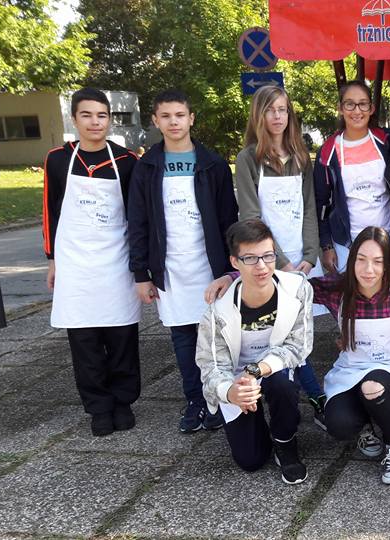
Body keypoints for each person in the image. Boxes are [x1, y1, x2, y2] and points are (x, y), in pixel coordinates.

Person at [127, 89, 238, 433]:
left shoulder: (213, 164)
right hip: (170, 268)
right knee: (183, 337)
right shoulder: (146, 167)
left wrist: (231, 268)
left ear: (191, 118)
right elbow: (138, 221)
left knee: (216, 337)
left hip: (209, 267)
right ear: (155, 121)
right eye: (166, 116)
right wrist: (141, 272)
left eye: (179, 115)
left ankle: (218, 398)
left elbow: (228, 219)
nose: (173, 122)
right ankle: (195, 401)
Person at [43, 88, 142, 437]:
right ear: (74, 119)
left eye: (101, 115)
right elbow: (49, 211)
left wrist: (139, 265)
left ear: (109, 119)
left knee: (121, 336)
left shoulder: (126, 161)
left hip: (115, 261)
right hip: (74, 263)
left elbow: (136, 216)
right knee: (84, 340)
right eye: (86, 115)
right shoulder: (57, 159)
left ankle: (123, 401)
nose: (95, 122)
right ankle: (98, 407)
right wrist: (52, 258)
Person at [232, 85, 327, 429]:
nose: (277, 116)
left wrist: (310, 255)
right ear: (259, 115)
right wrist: (281, 261)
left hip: (301, 261)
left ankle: (306, 395)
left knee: (297, 330)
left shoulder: (301, 157)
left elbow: (310, 209)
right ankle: (312, 396)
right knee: (282, 332)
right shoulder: (248, 159)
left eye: (283, 110)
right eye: (270, 110)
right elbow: (251, 217)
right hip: (267, 262)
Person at [309, 226, 390, 484]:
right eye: (361, 260)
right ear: (352, 260)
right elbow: (288, 287)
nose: (369, 270)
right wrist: (233, 277)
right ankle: (365, 427)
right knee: (338, 424)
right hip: (351, 369)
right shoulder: (338, 287)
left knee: (373, 386)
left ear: (388, 264)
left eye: (378, 261)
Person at [194, 219, 312, 484]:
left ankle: (285, 441)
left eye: (268, 256)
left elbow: (299, 346)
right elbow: (210, 366)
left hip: (272, 369)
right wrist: (230, 392)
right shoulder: (217, 310)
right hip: (236, 379)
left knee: (282, 383)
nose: (262, 266)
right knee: (251, 460)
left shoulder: (297, 289)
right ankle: (255, 419)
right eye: (250, 258)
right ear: (234, 262)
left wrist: (258, 370)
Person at [314, 80, 390, 274]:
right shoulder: (328, 152)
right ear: (340, 108)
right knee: (351, 293)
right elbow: (321, 203)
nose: (357, 111)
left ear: (371, 108)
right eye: (350, 104)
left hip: (388, 239)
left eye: (363, 104)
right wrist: (326, 246)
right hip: (347, 244)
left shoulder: (388, 142)